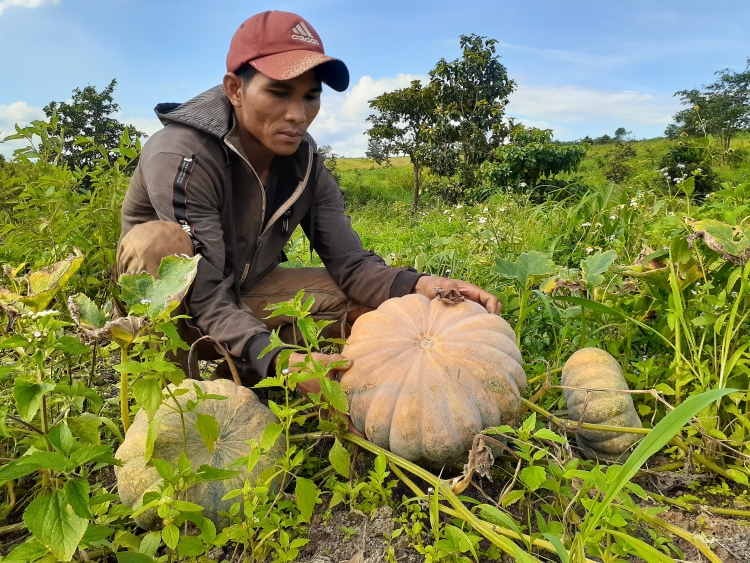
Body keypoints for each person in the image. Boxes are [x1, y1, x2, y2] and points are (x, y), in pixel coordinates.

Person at [116, 10, 499, 412]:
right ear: (235, 89)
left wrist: (422, 286)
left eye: (310, 96)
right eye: (280, 92)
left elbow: (350, 263)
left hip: (245, 291)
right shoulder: (182, 153)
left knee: (376, 308)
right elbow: (207, 292)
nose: (298, 115)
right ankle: (179, 394)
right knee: (158, 242)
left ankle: (246, 369)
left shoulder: (305, 164)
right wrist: (281, 360)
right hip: (178, 304)